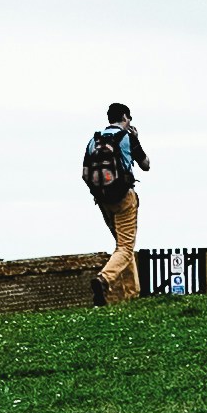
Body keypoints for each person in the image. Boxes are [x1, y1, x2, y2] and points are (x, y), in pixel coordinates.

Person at [82, 100, 149, 301]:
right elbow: (145, 165)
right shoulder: (127, 137)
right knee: (126, 247)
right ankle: (103, 279)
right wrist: (136, 139)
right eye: (129, 119)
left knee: (122, 245)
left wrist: (99, 192)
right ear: (125, 118)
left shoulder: (94, 140)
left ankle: (131, 293)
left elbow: (85, 174)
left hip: (103, 201)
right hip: (124, 198)